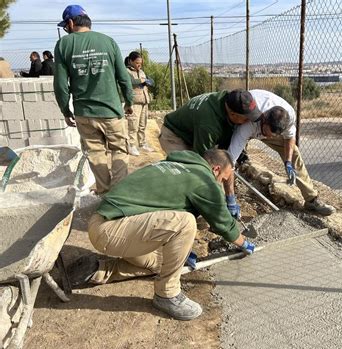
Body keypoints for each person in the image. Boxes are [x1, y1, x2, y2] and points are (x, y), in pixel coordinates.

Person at [68, 149, 255, 321]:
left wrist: (178, 254)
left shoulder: (174, 166)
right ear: (215, 169)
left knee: (163, 263)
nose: (220, 183)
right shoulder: (203, 179)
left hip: (109, 224)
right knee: (186, 222)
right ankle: (167, 294)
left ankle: (98, 271)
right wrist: (243, 242)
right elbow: (223, 224)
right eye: (223, 178)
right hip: (112, 230)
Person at [53, 5, 134, 195]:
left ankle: (105, 192)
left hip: (84, 113)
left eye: (66, 25)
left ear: (71, 23)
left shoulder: (64, 44)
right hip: (111, 111)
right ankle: (119, 194)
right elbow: (124, 78)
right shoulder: (108, 42)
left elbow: (60, 85)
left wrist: (66, 111)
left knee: (96, 153)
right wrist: (129, 102)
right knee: (119, 151)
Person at [227, 89, 335, 216]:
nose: (269, 138)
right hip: (241, 118)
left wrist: (288, 162)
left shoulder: (288, 116)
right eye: (267, 133)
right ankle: (223, 199)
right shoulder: (247, 124)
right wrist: (230, 199)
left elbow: (289, 138)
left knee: (294, 154)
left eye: (273, 135)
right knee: (226, 158)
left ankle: (311, 200)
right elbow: (228, 162)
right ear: (264, 120)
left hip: (267, 126)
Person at [159, 89, 262, 218]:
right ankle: (178, 214)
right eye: (246, 118)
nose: (248, 122)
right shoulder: (209, 125)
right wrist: (216, 203)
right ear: (232, 114)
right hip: (174, 135)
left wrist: (230, 198)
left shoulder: (228, 99)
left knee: (212, 175)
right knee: (189, 174)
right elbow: (201, 165)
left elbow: (225, 160)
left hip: (194, 134)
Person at [124, 51, 154, 156]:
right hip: (134, 103)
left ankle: (142, 143)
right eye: (137, 63)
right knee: (133, 125)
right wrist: (142, 81)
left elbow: (147, 82)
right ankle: (131, 146)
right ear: (131, 61)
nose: (139, 65)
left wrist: (148, 81)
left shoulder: (141, 71)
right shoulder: (126, 71)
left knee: (142, 125)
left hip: (144, 101)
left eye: (140, 63)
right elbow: (131, 82)